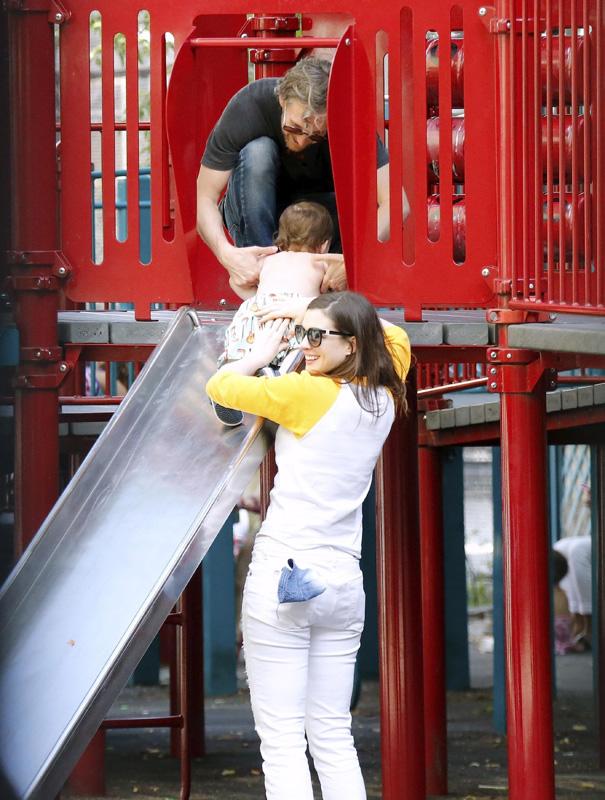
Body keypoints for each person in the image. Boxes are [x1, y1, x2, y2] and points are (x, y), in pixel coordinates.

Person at [206, 291, 411, 799]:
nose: (307, 345)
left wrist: (263, 348)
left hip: (285, 572)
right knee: (332, 733)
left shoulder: (305, 393)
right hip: (343, 581)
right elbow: (397, 336)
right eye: (304, 335)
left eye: (318, 337)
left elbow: (222, 385)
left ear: (353, 342)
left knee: (281, 740)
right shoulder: (384, 393)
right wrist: (318, 317)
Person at [197, 56, 404, 298]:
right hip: (257, 208)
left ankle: (322, 283)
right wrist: (226, 254)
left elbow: (398, 204)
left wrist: (353, 260)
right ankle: (262, 280)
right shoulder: (250, 105)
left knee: (360, 202)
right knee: (258, 151)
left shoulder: (347, 116)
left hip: (317, 218)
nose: (302, 140)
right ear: (282, 100)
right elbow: (205, 198)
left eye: (316, 136)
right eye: (294, 128)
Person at [212, 200, 334, 425]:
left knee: (243, 346)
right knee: (299, 342)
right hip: (293, 312)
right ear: (324, 244)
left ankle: (230, 369)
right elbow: (332, 291)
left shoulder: (269, 260)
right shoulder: (321, 262)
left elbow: (235, 282)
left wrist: (257, 301)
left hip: (258, 311)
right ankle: (277, 373)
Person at [553, 534, 592, 649]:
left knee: (578, 550)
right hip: (572, 550)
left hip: (579, 550)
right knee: (561, 546)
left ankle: (587, 629)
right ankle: (581, 628)